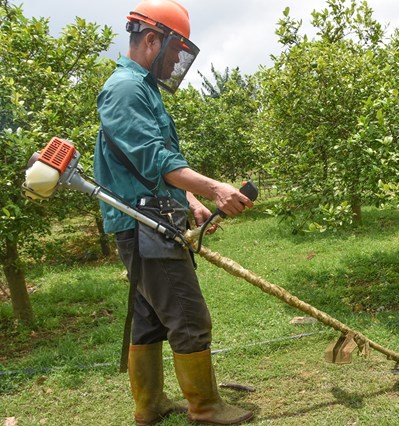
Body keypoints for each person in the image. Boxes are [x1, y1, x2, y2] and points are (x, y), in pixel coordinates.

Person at [93, 0, 254, 424]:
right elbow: (154, 158)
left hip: (152, 218)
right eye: (175, 52)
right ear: (152, 39)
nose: (176, 64)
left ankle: (149, 405)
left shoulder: (140, 88)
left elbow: (151, 164)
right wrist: (215, 187)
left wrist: (192, 201)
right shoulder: (125, 89)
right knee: (188, 315)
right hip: (144, 225)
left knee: (149, 318)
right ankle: (205, 407)